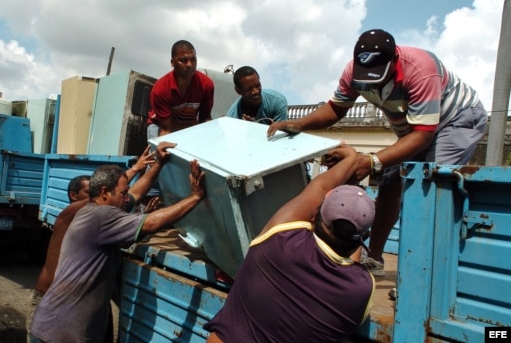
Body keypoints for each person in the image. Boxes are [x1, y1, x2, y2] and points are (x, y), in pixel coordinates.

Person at [267, 29, 487, 277]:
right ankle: (375, 258)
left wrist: (372, 161)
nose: (373, 83)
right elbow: (336, 109)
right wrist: (299, 124)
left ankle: (423, 277)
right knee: (389, 181)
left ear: (394, 59)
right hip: (414, 129)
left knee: (432, 186)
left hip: (455, 119)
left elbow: (423, 135)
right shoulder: (353, 71)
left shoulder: (421, 70)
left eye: (378, 76)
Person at [28, 144, 206, 343]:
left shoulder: (96, 211)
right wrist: (195, 196)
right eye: (123, 193)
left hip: (64, 329)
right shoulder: (101, 216)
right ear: (105, 193)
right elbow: (151, 223)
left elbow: (136, 194)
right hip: (58, 334)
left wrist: (159, 164)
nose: (127, 199)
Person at [204, 145, 376, 342]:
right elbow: (350, 262)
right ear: (365, 237)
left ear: (315, 215)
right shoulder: (362, 288)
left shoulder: (280, 235)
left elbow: (318, 188)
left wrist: (351, 157)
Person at [147, 39, 215, 139]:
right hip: (160, 126)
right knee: (158, 153)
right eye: (183, 60)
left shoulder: (206, 85)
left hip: (188, 127)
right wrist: (162, 150)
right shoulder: (160, 89)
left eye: (193, 59)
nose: (189, 65)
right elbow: (166, 129)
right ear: (172, 62)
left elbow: (205, 117)